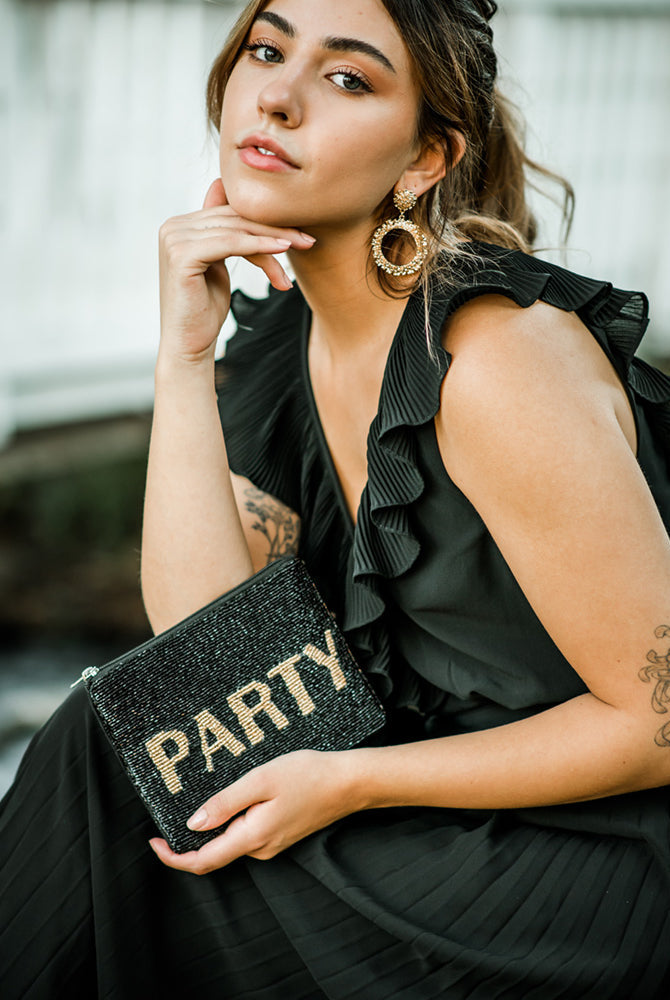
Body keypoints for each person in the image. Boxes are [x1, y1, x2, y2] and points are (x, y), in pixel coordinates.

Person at [2, 0, 670, 996]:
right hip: (414, 822)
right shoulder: (287, 345)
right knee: (114, 744)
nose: (277, 96)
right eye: (267, 49)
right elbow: (205, 661)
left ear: (424, 159)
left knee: (103, 789)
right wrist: (184, 356)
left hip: (575, 868)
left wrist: (352, 780)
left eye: (347, 77)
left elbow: (659, 720)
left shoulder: (492, 359)